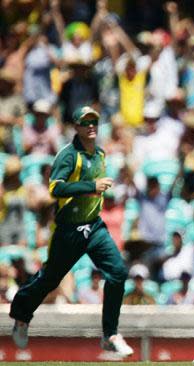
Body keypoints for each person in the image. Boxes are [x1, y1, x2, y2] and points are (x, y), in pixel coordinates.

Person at [9, 106, 133, 357]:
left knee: (118, 273)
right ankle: (21, 315)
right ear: (75, 126)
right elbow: (56, 188)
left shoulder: (99, 154)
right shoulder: (68, 155)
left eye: (94, 122)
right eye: (85, 123)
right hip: (69, 229)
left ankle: (110, 334)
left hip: (94, 225)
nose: (91, 127)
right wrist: (91, 186)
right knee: (50, 279)